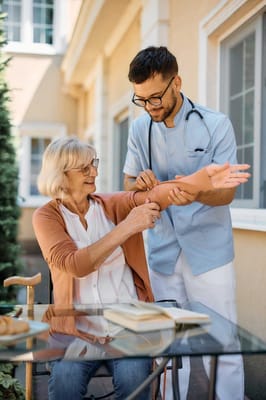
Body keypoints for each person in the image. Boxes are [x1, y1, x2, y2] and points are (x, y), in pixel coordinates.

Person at [33, 137, 249, 400]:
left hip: (128, 328)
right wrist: (128, 226)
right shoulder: (46, 216)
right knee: (65, 385)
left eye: (95, 164)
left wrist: (201, 181)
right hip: (75, 333)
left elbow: (155, 195)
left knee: (135, 384)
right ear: (61, 172)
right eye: (85, 167)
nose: (95, 172)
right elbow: (75, 265)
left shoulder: (112, 204)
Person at [123, 46, 248, 400]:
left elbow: (225, 195)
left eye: (156, 97)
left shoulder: (215, 125)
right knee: (168, 346)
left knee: (223, 342)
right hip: (162, 252)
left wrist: (195, 193)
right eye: (142, 99)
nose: (150, 107)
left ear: (176, 82)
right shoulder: (139, 128)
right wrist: (142, 185)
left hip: (209, 254)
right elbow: (128, 188)